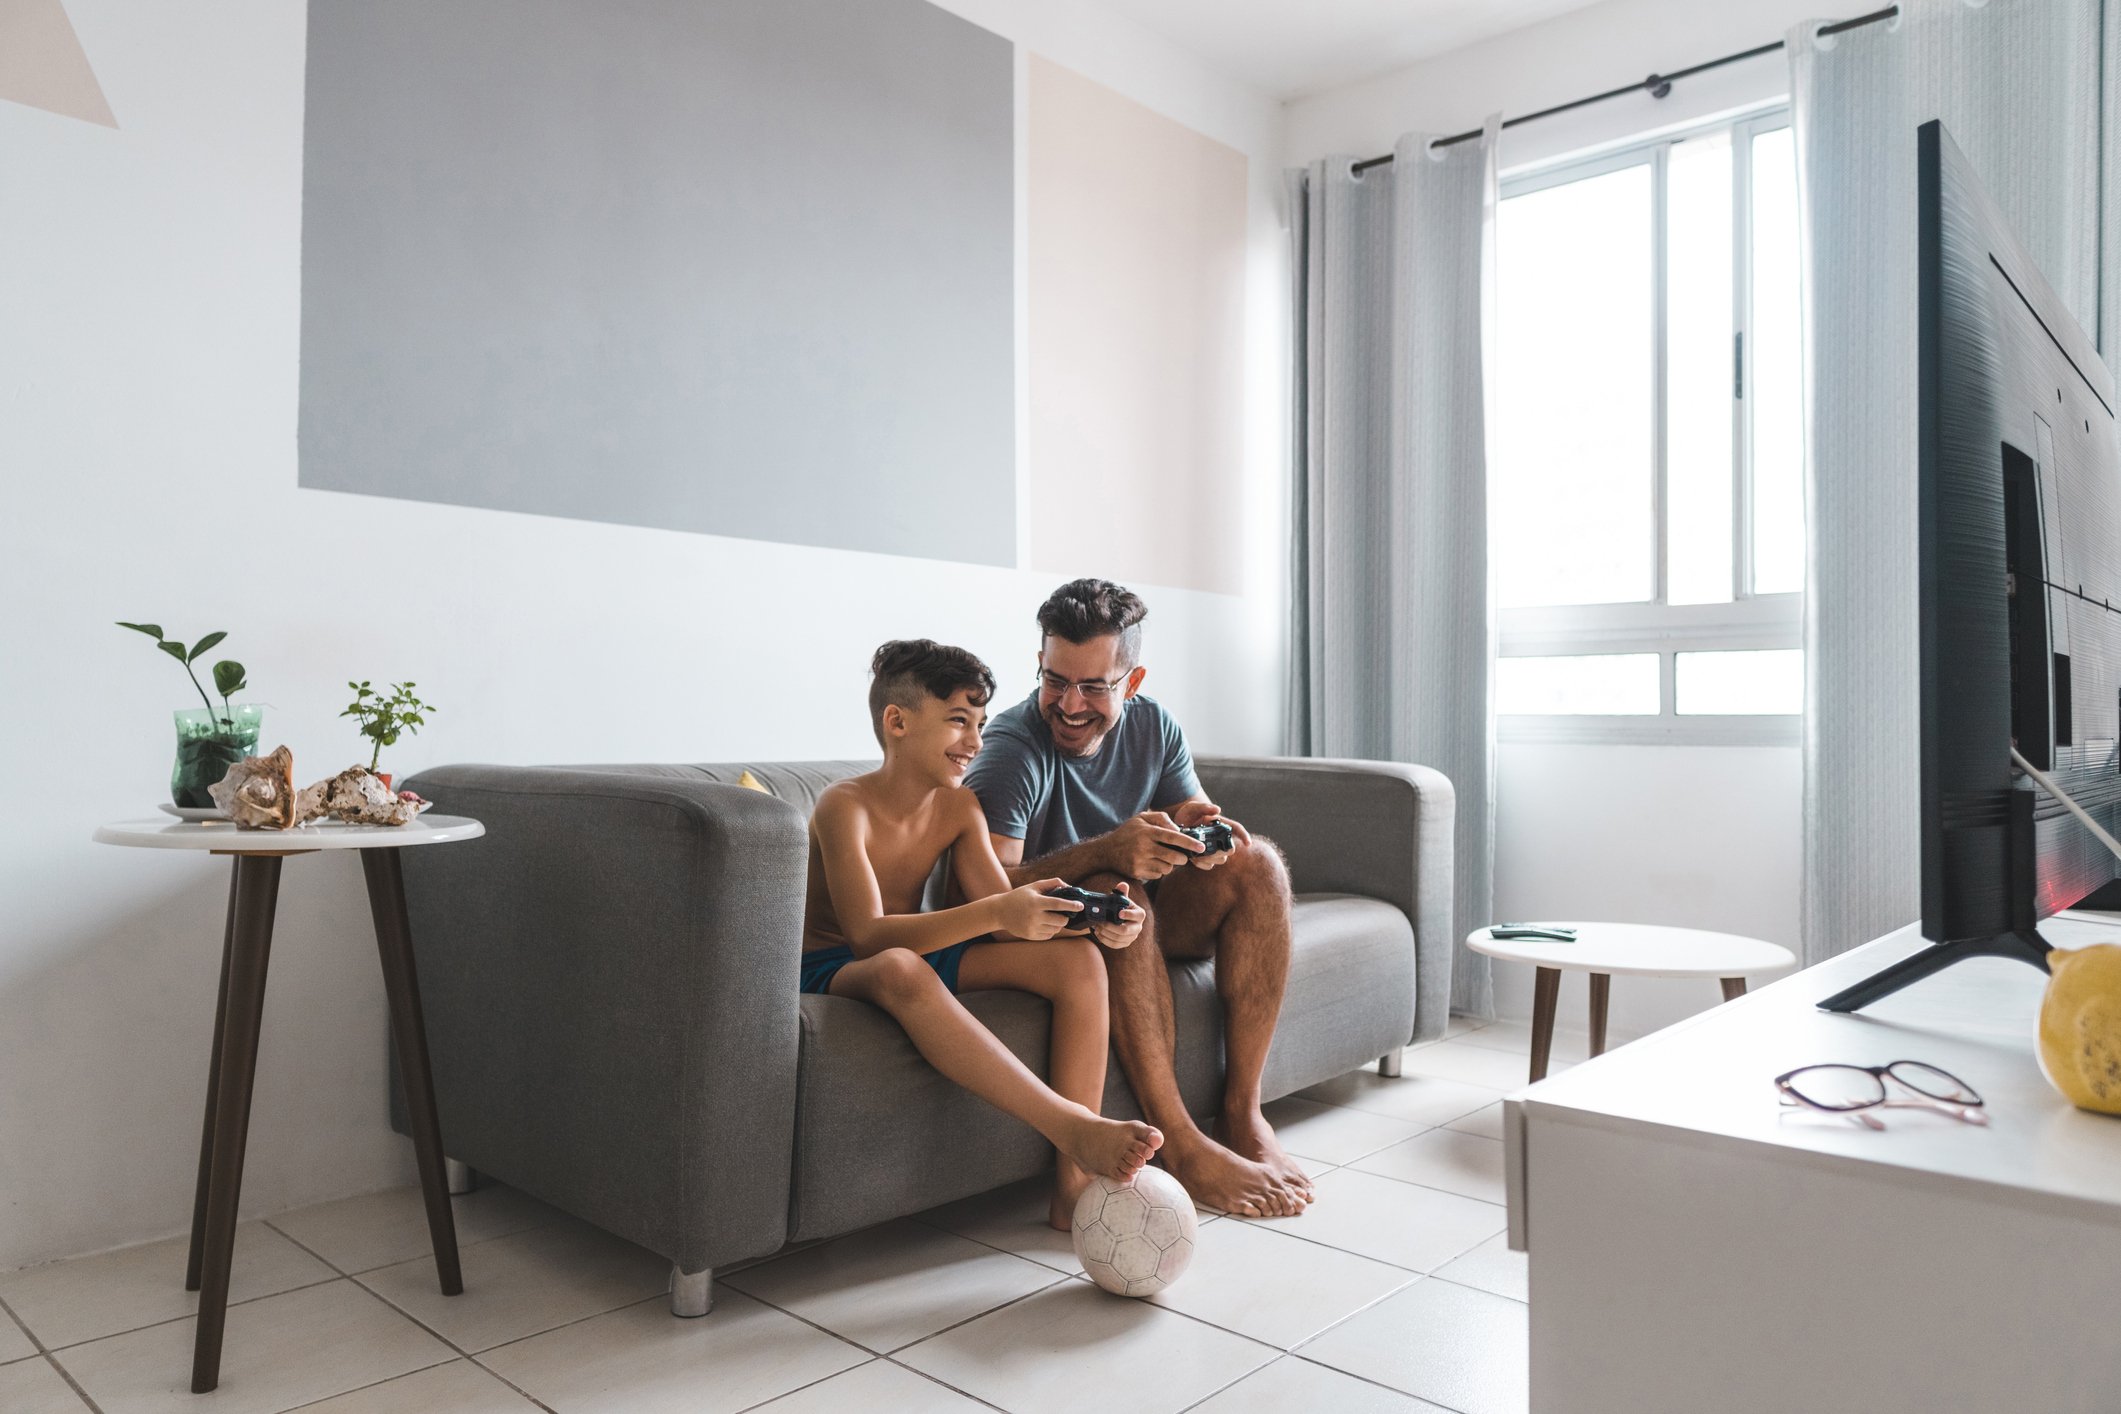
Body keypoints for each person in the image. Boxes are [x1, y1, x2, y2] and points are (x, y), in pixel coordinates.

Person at [965, 581, 1313, 1218]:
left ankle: (1243, 1113)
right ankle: (1180, 1144)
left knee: (1259, 864)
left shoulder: (1155, 724)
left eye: (1094, 686)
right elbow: (984, 894)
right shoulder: (1010, 752)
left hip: (1137, 911)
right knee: (1115, 897)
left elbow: (1186, 812)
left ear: (1132, 679)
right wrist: (1106, 852)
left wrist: (1200, 832)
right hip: (1044, 927)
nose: (1069, 705)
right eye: (1054, 680)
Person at [802, 639, 1161, 1228]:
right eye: (957, 722)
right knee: (899, 967)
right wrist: (998, 914)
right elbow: (867, 936)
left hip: (923, 948)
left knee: (1078, 963)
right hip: (833, 964)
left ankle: (1070, 1192)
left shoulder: (961, 809)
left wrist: (1094, 919)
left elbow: (1003, 916)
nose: (974, 742)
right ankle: (1072, 1127)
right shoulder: (844, 807)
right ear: (897, 722)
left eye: (981, 724)